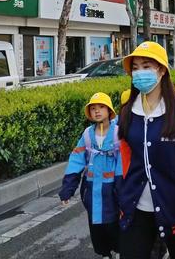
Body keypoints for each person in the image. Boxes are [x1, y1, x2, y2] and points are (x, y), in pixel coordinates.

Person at [118, 42, 175, 259]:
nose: (139, 72)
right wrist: (123, 200)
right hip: (136, 210)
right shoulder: (127, 112)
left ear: (161, 70)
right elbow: (126, 162)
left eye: (146, 66)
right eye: (136, 68)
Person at [59, 93, 122, 259]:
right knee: (96, 225)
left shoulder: (118, 133)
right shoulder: (87, 135)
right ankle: (104, 253)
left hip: (113, 189)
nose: (97, 111)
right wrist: (68, 188)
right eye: (93, 108)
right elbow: (76, 159)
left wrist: (122, 186)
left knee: (114, 223)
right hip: (92, 189)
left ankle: (119, 251)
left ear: (109, 110)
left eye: (101, 107)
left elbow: (125, 161)